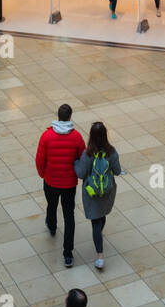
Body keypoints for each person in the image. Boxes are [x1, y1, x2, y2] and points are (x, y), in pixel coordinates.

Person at [35, 103, 85, 269]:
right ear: (70, 117)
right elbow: (82, 160)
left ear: (58, 116)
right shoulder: (77, 137)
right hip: (69, 184)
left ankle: (52, 225)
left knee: (51, 204)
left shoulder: (47, 136)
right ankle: (68, 254)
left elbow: (40, 159)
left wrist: (43, 174)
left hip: (50, 181)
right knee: (69, 216)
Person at [74, 121, 122, 271]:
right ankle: (99, 235)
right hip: (107, 191)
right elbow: (117, 171)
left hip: (92, 193)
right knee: (101, 215)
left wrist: (75, 163)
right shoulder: (112, 152)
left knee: (95, 221)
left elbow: (81, 173)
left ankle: (100, 256)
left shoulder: (87, 154)